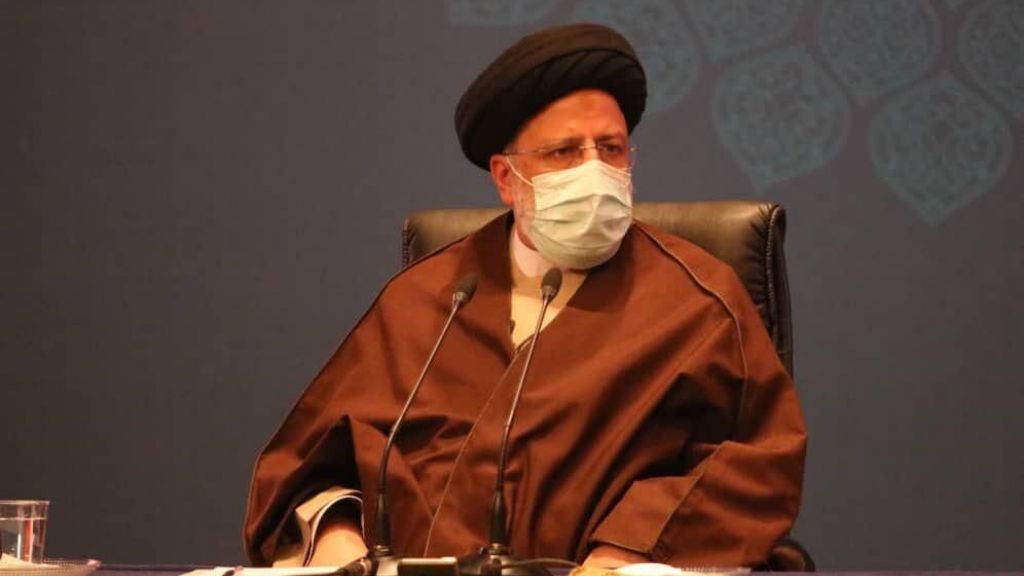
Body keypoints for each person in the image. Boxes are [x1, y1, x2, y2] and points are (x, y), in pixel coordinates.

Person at [243, 23, 807, 569]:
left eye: (611, 149)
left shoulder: (699, 302)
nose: (595, 172)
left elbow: (758, 465)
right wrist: (340, 545)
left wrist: (627, 552)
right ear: (506, 178)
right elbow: (307, 465)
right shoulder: (426, 299)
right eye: (564, 152)